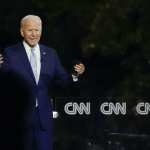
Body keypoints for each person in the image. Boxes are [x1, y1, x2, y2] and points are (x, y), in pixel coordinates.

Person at [0, 15, 85, 150]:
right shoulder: (10, 53)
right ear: (22, 32)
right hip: (19, 122)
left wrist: (75, 75)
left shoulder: (51, 54)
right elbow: (4, 80)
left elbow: (63, 81)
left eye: (37, 30)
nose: (34, 34)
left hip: (44, 122)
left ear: (41, 31)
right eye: (30, 30)